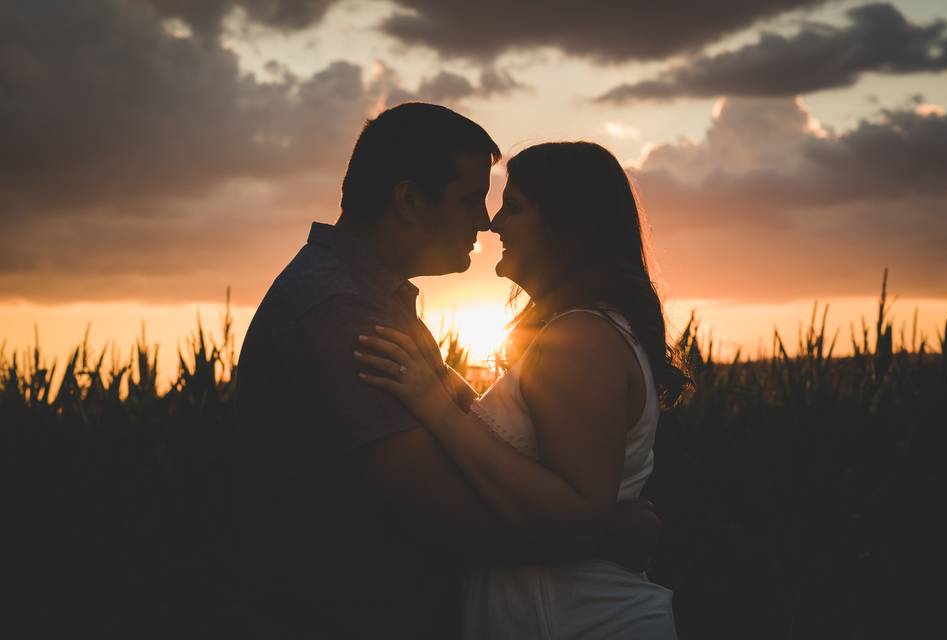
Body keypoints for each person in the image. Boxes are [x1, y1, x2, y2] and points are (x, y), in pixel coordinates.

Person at [230, 105, 661, 638]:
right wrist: (606, 533)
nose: (486, 220)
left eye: (504, 204)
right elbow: (444, 511)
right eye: (471, 198)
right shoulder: (340, 314)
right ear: (409, 201)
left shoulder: (371, 304)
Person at [355, 141, 690, 638]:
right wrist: (443, 381)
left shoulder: (581, 339)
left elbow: (578, 510)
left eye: (513, 207)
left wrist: (436, 407)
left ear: (563, 224)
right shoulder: (579, 331)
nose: (493, 224)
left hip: (584, 622)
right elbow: (520, 450)